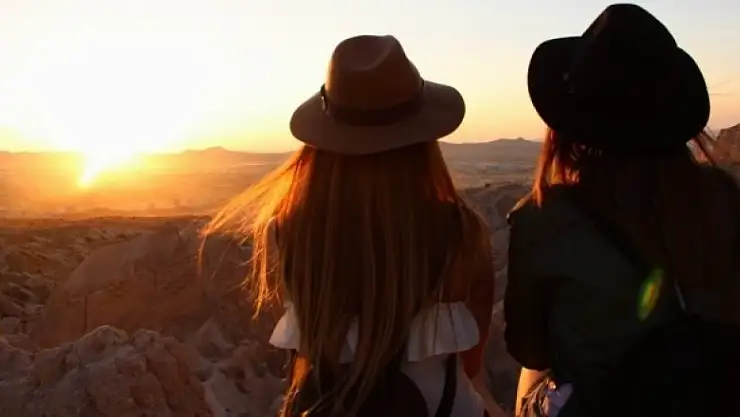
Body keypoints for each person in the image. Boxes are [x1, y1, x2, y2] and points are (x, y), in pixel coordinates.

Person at [202, 35, 505, 417]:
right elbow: (471, 365)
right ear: (423, 143)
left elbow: (303, 361)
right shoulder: (461, 232)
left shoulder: (290, 233)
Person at [504, 4, 740, 417]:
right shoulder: (724, 197)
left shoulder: (545, 221)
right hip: (717, 397)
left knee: (532, 379)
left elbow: (530, 348)